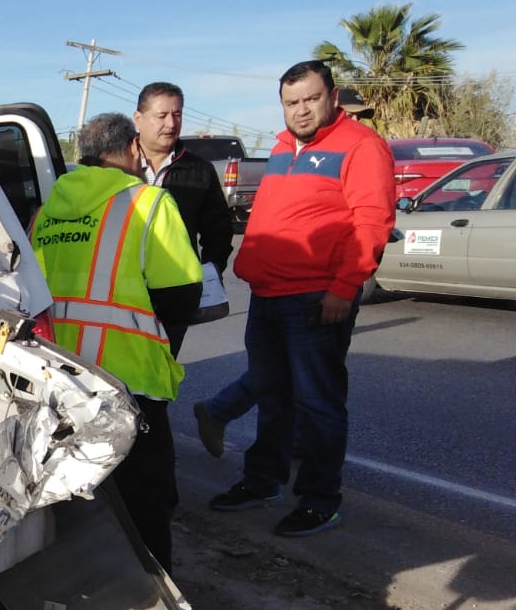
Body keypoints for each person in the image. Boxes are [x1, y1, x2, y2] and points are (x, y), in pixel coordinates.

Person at [206, 60, 394, 536]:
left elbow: (371, 222)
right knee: (273, 397)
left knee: (318, 404)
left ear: (332, 96)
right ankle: (262, 481)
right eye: (292, 102)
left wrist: (343, 288)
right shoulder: (281, 147)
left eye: (311, 99)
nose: (302, 110)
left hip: (315, 296)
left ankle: (319, 500)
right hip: (268, 293)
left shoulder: (361, 146)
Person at [31, 112, 203, 571]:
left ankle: (86, 584)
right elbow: (181, 298)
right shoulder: (149, 202)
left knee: (74, 494)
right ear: (132, 148)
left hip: (61, 380)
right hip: (128, 383)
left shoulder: (45, 212)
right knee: (146, 501)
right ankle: (152, 590)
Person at [132, 81, 235, 353]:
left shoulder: (198, 169)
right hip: (120, 291)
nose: (171, 123)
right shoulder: (115, 164)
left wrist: (209, 273)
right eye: (161, 115)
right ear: (138, 119)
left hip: (173, 296)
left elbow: (218, 229)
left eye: (177, 114)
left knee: (164, 368)